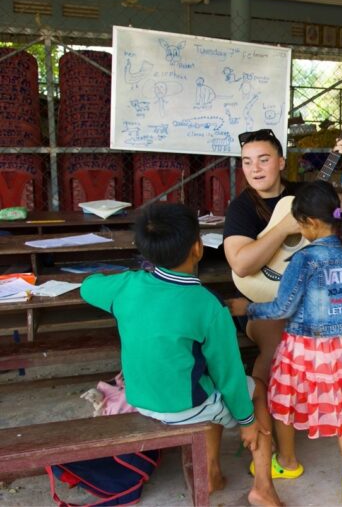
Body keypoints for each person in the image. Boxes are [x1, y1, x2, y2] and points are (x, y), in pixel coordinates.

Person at [80, 203, 280, 507]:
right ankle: (263, 487)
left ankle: (211, 472)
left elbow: (88, 286)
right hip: (182, 406)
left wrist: (131, 278)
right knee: (255, 391)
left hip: (140, 397)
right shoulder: (208, 305)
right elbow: (229, 376)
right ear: (198, 248)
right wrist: (247, 420)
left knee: (205, 385)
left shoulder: (126, 285)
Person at [229, 181, 342, 507]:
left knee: (283, 402)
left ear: (310, 223)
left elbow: (282, 308)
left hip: (305, 346)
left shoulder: (305, 259)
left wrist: (249, 308)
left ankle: (287, 462)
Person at [223, 128, 342, 382]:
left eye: (263, 159)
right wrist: (283, 229)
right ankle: (263, 415)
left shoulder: (305, 193)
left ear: (280, 162)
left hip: (311, 295)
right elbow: (241, 265)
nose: (255, 168)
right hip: (262, 297)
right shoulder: (241, 208)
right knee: (279, 345)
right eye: (247, 162)